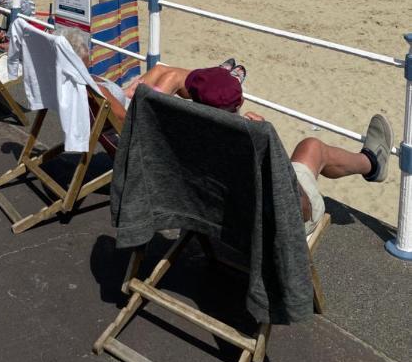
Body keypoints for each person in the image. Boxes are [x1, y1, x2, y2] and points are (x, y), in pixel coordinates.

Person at [96, 63, 393, 237]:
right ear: (238, 105)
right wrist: (268, 142)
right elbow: (295, 205)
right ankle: (371, 163)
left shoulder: (176, 136)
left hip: (197, 209)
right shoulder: (252, 137)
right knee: (311, 147)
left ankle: (369, 163)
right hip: (254, 229)